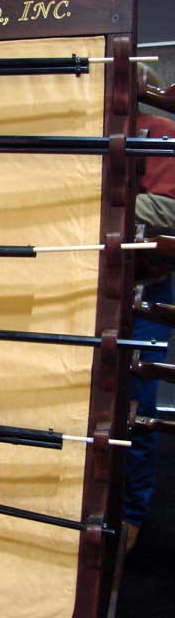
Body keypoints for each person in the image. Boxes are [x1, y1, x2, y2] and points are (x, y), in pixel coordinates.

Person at [124, 65, 175, 549]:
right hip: (92, 286)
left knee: (138, 406)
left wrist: (116, 202)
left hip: (147, 288)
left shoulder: (162, 132)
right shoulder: (91, 133)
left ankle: (131, 519)